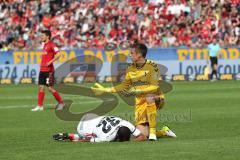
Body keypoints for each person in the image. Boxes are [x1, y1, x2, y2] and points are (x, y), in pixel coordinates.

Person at [91, 43, 174, 140]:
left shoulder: (152, 65)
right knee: (143, 134)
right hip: (140, 103)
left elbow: (154, 87)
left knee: (149, 97)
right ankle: (163, 132)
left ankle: (152, 133)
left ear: (139, 55)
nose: (130, 55)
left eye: (132, 53)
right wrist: (106, 90)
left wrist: (136, 90)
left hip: (156, 97)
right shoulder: (130, 68)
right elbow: (124, 86)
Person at [31, 30, 65, 111]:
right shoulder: (45, 45)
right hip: (42, 70)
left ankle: (61, 103)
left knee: (50, 88)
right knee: (41, 87)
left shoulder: (51, 45)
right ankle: (40, 106)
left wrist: (50, 62)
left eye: (43, 36)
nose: (41, 37)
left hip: (49, 71)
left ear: (47, 36)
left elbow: (59, 54)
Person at [53, 113, 147, 142]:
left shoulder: (126, 124)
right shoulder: (107, 138)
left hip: (91, 116)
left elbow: (143, 136)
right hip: (83, 126)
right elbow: (88, 140)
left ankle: (68, 135)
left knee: (95, 132)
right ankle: (71, 136)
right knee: (89, 136)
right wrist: (73, 140)